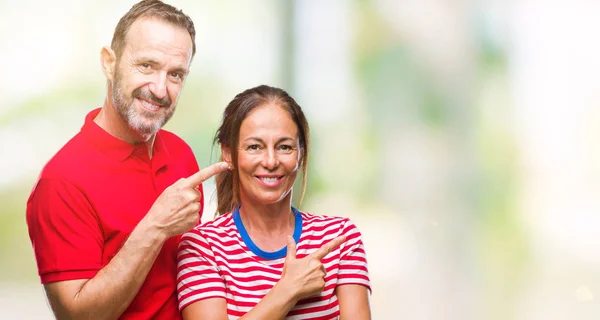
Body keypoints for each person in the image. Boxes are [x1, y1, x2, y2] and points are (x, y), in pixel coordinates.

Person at [25, 1, 229, 319]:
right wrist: (156, 226)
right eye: (146, 66)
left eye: (176, 74)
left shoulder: (181, 155)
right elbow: (79, 316)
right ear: (110, 63)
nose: (160, 89)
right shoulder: (61, 181)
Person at [176, 85, 372, 319]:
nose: (270, 161)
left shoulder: (340, 238)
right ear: (229, 153)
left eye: (285, 147)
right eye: (254, 147)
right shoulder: (202, 246)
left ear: (301, 153)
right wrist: (288, 290)